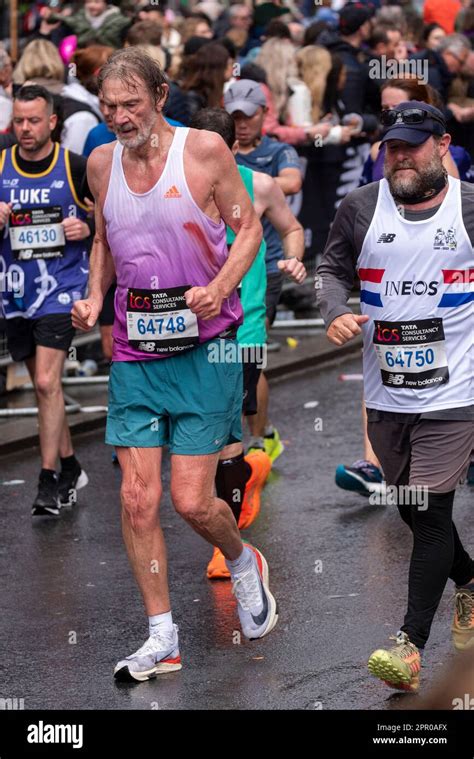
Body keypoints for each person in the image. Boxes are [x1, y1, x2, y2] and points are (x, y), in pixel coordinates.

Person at [72, 48, 278, 682]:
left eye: (132, 103)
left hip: (204, 347)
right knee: (138, 499)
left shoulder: (206, 152)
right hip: (137, 350)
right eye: (109, 106)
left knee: (192, 501)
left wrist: (220, 288)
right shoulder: (102, 162)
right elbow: (106, 239)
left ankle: (244, 563)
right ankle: (162, 635)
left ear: (161, 96)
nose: (120, 116)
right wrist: (95, 295)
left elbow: (249, 232)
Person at [317, 101, 474, 692]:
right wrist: (335, 309)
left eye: (412, 144)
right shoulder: (359, 207)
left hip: (456, 392)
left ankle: (409, 648)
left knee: (431, 511)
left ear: (442, 144)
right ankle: (470, 580)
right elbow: (331, 269)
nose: (401, 156)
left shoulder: (469, 208)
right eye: (392, 146)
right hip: (388, 396)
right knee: (410, 507)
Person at [190, 106, 305, 578]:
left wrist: (294, 260)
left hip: (246, 327)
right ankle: (244, 484)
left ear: (229, 147)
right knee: (217, 430)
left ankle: (229, 543)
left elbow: (291, 228)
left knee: (229, 427)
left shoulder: (257, 185)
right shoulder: (181, 185)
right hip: (195, 327)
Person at [0, 85, 90, 515]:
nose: (25, 129)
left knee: (44, 383)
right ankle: (71, 465)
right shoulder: (0, 164)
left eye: (34, 120)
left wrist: (86, 227)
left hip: (62, 287)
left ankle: (47, 480)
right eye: (19, 120)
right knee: (46, 390)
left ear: (52, 121)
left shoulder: (74, 167)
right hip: (15, 292)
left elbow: (109, 221)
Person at [224, 79, 303, 463]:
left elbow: (294, 180)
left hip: (265, 266)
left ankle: (258, 436)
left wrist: (254, 181)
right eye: (234, 116)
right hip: (221, 273)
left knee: (248, 349)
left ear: (263, 115)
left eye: (247, 116)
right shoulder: (217, 151)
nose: (240, 123)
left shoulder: (276, 152)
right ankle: (248, 435)